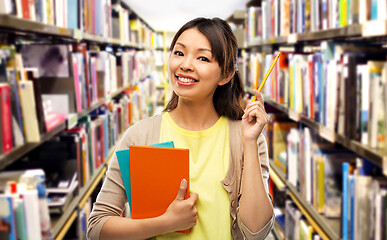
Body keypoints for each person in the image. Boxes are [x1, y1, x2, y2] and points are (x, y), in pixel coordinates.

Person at [87, 17, 274, 240]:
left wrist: (251, 142)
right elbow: (97, 227)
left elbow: (257, 232)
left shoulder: (245, 138)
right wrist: (164, 223)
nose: (185, 64)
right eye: (179, 53)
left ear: (226, 75)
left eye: (203, 57)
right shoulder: (140, 135)